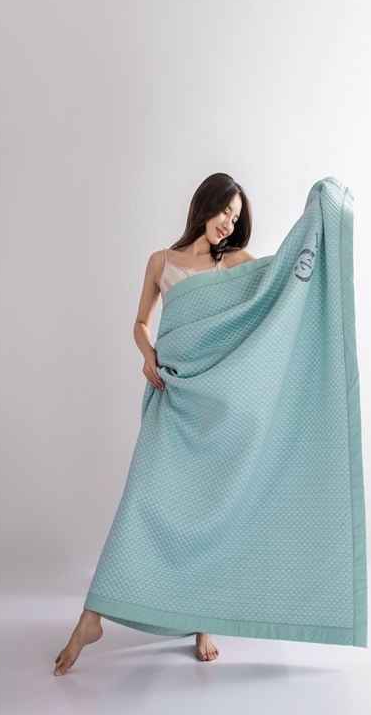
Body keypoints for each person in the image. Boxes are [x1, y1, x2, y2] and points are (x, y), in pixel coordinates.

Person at [55, 173, 256, 674]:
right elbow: (141, 322)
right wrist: (148, 355)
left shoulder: (233, 263)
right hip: (171, 395)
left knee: (207, 510)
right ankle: (91, 617)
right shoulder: (161, 262)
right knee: (140, 501)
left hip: (215, 404)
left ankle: (203, 619)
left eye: (235, 218)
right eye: (224, 211)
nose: (228, 223)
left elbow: (277, 284)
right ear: (205, 205)